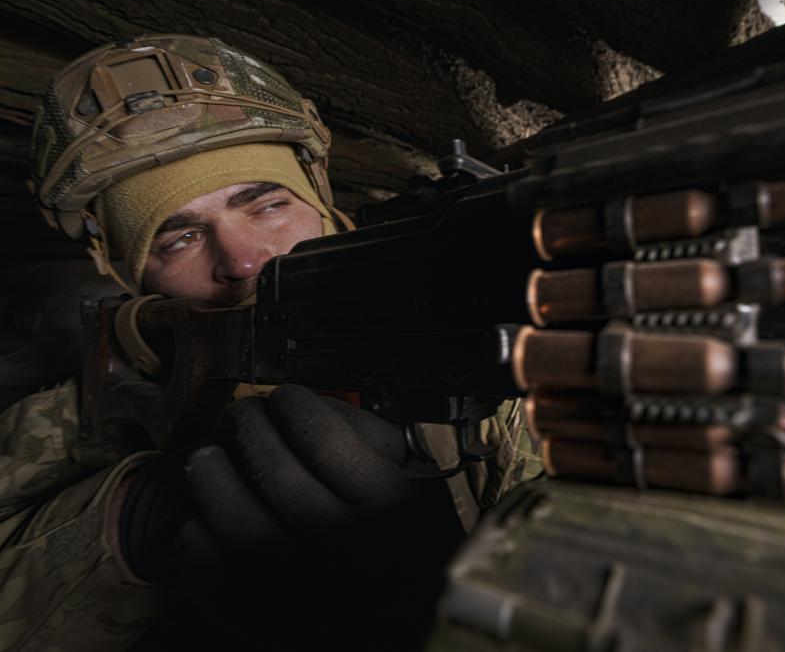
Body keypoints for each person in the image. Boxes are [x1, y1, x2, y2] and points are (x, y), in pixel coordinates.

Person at [1, 34, 542, 650]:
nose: (244, 262)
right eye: (179, 239)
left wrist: (462, 595)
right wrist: (132, 525)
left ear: (318, 191)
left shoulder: (500, 354)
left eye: (264, 205)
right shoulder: (64, 419)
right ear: (128, 273)